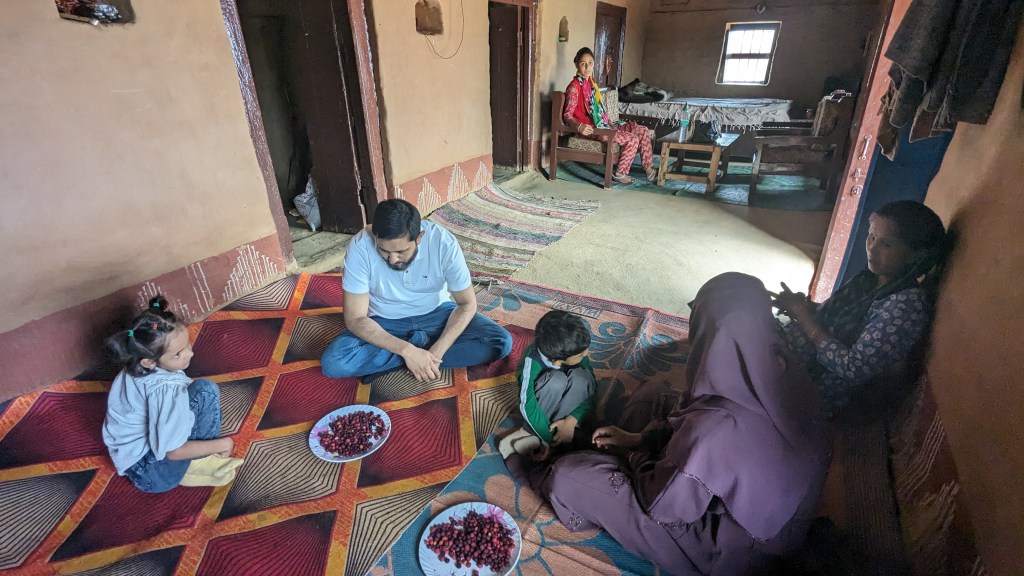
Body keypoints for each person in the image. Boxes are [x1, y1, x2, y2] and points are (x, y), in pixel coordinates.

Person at [505, 274, 832, 575]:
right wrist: (639, 438)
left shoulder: (715, 429)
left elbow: (662, 503)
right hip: (761, 505)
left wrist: (632, 455)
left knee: (567, 477)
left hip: (729, 546)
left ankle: (576, 468)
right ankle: (619, 455)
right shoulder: (784, 369)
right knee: (653, 393)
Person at [772, 200, 950, 415]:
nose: (872, 249)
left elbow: (853, 368)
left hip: (808, 387)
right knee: (745, 293)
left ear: (916, 255)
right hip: (788, 356)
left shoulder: (906, 306)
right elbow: (844, 321)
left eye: (886, 244)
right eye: (872, 237)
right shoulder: (870, 279)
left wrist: (804, 317)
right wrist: (803, 307)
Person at [321, 199, 513, 382]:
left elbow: (467, 304)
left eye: (401, 251)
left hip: (438, 313)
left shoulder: (443, 243)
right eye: (384, 251)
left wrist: (438, 350)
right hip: (385, 321)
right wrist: (407, 351)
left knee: (499, 341)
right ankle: (416, 354)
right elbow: (355, 319)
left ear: (419, 238)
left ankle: (407, 361)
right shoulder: (360, 246)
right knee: (334, 362)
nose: (392, 259)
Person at [102, 296, 243, 493]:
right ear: (149, 362)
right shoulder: (166, 389)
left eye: (187, 344)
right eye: (177, 354)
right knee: (205, 391)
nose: (190, 354)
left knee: (197, 395)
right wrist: (223, 444)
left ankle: (191, 459)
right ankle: (197, 463)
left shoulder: (135, 363)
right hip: (155, 475)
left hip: (130, 460)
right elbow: (173, 452)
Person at [500, 310, 596, 457]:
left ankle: (553, 433)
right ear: (557, 361)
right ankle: (544, 434)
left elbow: (592, 390)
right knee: (556, 380)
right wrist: (551, 438)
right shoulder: (531, 361)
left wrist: (571, 420)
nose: (586, 354)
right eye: (581, 355)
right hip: (545, 402)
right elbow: (528, 405)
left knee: (582, 378)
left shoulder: (576, 347)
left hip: (568, 415)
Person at [564, 47, 657, 185]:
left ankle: (648, 167)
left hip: (603, 125)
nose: (587, 67)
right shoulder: (574, 87)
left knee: (642, 130)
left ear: (594, 63)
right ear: (576, 64)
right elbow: (567, 114)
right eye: (583, 63)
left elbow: (598, 111)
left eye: (590, 63)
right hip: (591, 130)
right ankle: (620, 173)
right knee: (632, 139)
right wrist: (579, 126)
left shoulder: (591, 83)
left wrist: (610, 123)